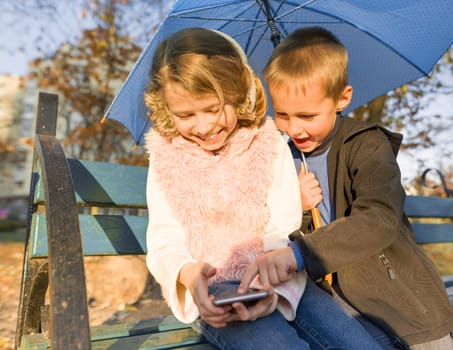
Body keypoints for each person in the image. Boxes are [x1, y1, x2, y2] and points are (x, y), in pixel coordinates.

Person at [143, 27, 382, 350]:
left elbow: (282, 226)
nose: (202, 126)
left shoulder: (267, 143)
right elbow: (164, 242)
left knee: (359, 345)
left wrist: (272, 287)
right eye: (185, 115)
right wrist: (187, 273)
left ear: (239, 93)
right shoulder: (165, 159)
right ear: (165, 109)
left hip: (281, 278)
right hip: (218, 291)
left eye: (214, 109)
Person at [239, 26, 453, 349]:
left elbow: (378, 219)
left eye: (307, 115)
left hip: (399, 299)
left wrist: (301, 253)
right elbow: (274, 229)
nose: (294, 127)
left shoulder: (367, 145)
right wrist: (293, 203)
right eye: (282, 114)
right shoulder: (284, 158)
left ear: (342, 98)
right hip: (335, 302)